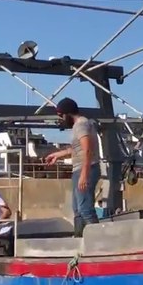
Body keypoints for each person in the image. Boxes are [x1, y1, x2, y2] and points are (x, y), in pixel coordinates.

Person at [44, 97, 101, 237]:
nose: (61, 119)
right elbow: (77, 149)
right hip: (80, 169)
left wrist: (84, 175)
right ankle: (80, 237)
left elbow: (87, 150)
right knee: (77, 209)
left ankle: (99, 239)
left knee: (85, 208)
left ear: (68, 113)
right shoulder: (80, 125)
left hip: (86, 169)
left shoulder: (81, 124)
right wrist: (58, 154)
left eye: (61, 116)